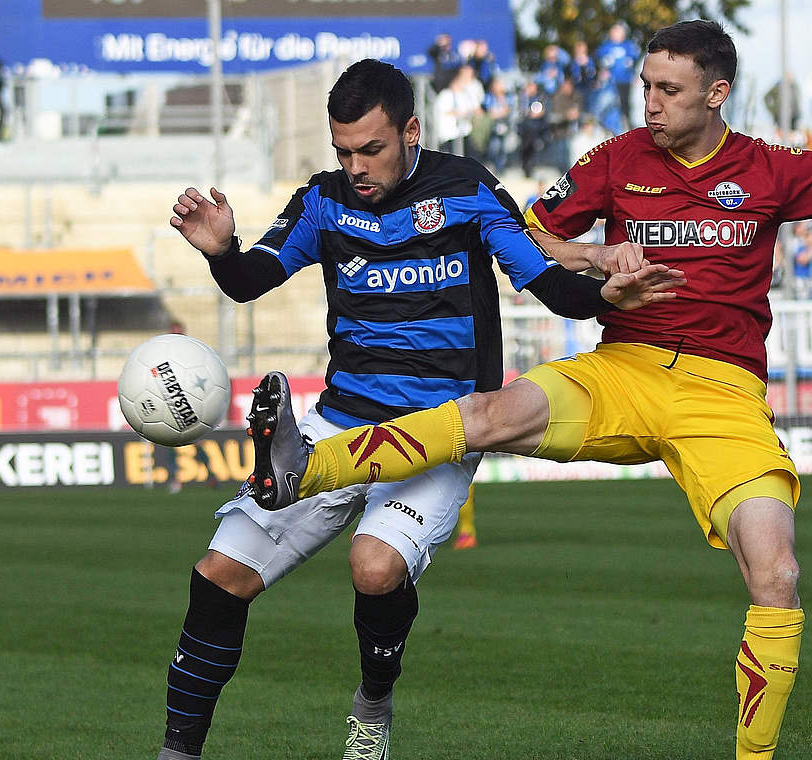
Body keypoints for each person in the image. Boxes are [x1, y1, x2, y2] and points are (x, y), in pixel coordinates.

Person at [249, 20, 812, 759]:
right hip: (623, 368)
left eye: (669, 90)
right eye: (646, 85)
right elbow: (526, 232)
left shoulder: (776, 167)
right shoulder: (613, 159)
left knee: (777, 574)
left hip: (724, 394)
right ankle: (302, 468)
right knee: (485, 412)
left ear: (716, 93)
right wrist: (595, 254)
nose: (650, 102)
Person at [156, 58, 682, 760]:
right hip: (341, 420)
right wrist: (222, 251)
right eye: (343, 151)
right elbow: (253, 279)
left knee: (373, 567)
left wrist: (601, 298)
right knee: (219, 576)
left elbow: (546, 282)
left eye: (371, 149)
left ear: (411, 131)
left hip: (440, 433)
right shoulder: (322, 200)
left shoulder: (465, 190)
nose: (356, 166)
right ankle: (177, 753)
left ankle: (373, 704)